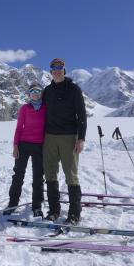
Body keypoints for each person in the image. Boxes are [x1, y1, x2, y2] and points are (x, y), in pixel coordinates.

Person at [42, 58, 87, 225]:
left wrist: (81, 138)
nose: (57, 70)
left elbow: (81, 116)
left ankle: (75, 213)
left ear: (64, 70)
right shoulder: (47, 91)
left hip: (69, 137)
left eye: (60, 67)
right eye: (54, 68)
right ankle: (54, 210)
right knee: (50, 174)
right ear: (51, 71)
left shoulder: (74, 89)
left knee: (71, 176)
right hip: (49, 137)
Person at [3, 84, 47, 217]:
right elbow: (19, 128)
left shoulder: (46, 108)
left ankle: (37, 206)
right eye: (32, 91)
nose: (35, 93)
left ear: (41, 93)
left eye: (38, 91)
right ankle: (13, 203)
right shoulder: (24, 108)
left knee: (38, 177)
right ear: (29, 94)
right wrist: (15, 145)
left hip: (39, 146)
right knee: (18, 175)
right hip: (23, 145)